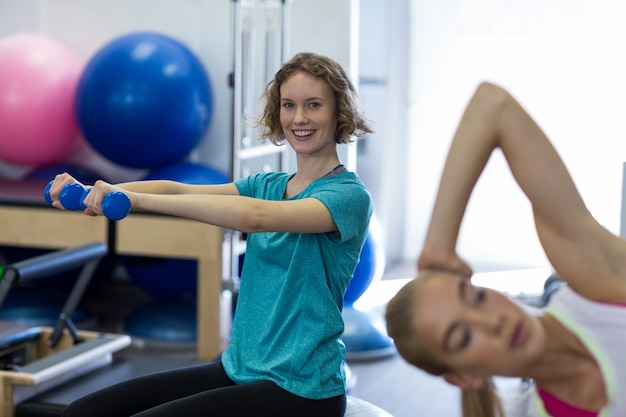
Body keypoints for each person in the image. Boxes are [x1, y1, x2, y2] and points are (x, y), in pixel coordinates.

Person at [49, 52, 373, 417]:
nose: (299, 118)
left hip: (302, 390)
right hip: (239, 369)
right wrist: (100, 191)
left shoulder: (347, 196)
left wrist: (133, 199)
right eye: (289, 105)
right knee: (83, 412)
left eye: (313, 105)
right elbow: (180, 190)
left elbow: (257, 218)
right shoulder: (266, 184)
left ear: (339, 111)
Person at [385, 82, 626, 417]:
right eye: (464, 337)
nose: (493, 322)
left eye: (478, 298)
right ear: (463, 377)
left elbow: (492, 104)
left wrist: (437, 245)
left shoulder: (595, 283)